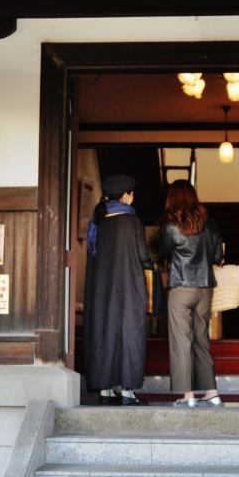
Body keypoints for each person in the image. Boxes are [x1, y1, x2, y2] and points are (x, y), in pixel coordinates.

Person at [83, 174, 150, 406]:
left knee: (104, 333)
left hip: (100, 290)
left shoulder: (97, 222)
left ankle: (105, 392)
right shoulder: (132, 222)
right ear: (125, 197)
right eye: (131, 194)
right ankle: (128, 393)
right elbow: (144, 256)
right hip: (128, 288)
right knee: (130, 333)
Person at [158, 180, 224, 408]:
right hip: (205, 288)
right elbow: (217, 257)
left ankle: (188, 396)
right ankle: (212, 393)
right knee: (201, 340)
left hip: (181, 287)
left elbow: (163, 253)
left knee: (182, 341)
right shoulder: (211, 225)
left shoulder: (172, 226)